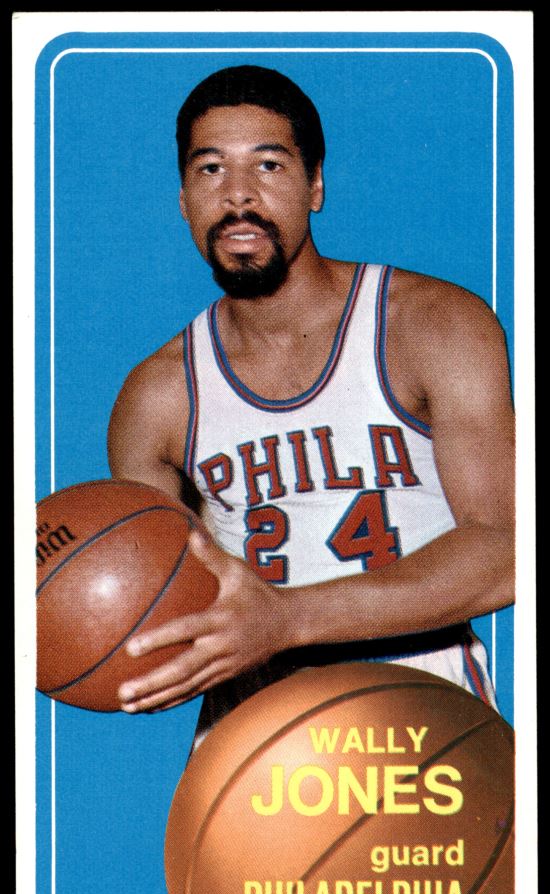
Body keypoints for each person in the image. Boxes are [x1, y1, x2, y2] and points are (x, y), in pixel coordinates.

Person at [107, 65, 515, 744]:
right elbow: (159, 613)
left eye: (268, 165)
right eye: (210, 170)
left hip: (427, 728)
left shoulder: (432, 324)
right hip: (255, 751)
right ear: (183, 198)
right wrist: (110, 642)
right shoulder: (156, 395)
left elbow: (507, 549)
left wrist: (287, 619)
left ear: (315, 186)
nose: (238, 195)